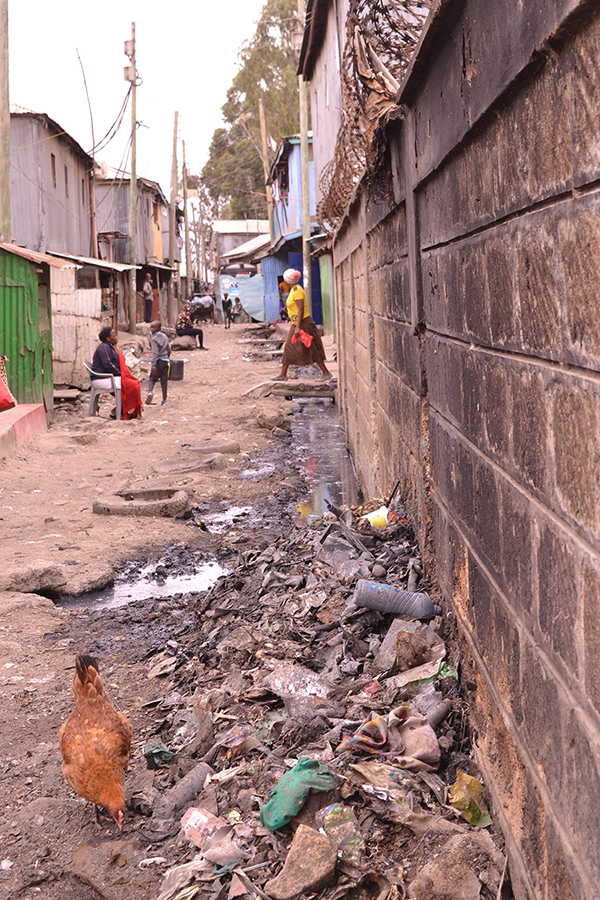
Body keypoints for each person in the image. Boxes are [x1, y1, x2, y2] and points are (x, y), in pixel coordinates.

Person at [271, 269, 333, 382]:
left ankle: (326, 372)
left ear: (287, 281)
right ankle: (283, 374)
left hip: (303, 323)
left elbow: (301, 309)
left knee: (312, 347)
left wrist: (298, 327)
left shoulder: (297, 290)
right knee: (289, 347)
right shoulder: (292, 290)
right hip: (296, 323)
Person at [91, 326, 143, 419]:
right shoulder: (104, 347)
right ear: (108, 338)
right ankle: (119, 411)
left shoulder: (110, 347)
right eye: (114, 335)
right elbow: (108, 365)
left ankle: (119, 410)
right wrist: (120, 373)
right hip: (101, 378)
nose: (116, 337)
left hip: (108, 377)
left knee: (134, 382)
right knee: (132, 385)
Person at [146, 320, 171, 406]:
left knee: (152, 379)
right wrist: (167, 358)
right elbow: (169, 349)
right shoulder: (165, 336)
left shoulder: (154, 339)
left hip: (158, 362)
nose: (151, 329)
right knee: (164, 381)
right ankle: (164, 399)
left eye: (153, 328)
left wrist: (153, 366)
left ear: (158, 328)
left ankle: (150, 392)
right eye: (151, 327)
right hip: (165, 361)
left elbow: (155, 353)